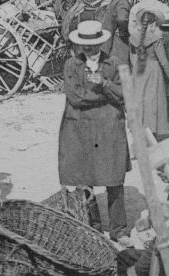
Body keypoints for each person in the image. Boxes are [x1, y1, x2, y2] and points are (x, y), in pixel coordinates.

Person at [60, 20, 131, 246]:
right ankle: (93, 226)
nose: (89, 49)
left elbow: (125, 95)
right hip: (80, 128)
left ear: (100, 43)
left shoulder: (114, 63)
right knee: (84, 176)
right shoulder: (72, 65)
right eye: (85, 45)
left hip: (109, 128)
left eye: (93, 45)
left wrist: (104, 84)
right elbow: (75, 98)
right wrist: (105, 97)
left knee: (114, 175)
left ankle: (118, 229)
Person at [129, 9, 169, 140]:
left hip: (138, 68)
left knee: (139, 98)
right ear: (154, 24)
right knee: (153, 100)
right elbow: (163, 61)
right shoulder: (156, 38)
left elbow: (132, 57)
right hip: (153, 69)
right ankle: (152, 129)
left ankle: (139, 127)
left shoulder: (133, 37)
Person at [101, 0, 139, 66]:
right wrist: (127, 34)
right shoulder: (123, 2)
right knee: (123, 62)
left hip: (110, 35)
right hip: (118, 39)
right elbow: (122, 20)